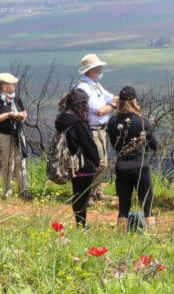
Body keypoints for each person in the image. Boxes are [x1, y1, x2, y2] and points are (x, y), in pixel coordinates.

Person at [107, 85, 158, 230]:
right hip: (141, 166)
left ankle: (121, 237)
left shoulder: (112, 122)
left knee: (123, 207)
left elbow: (115, 145)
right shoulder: (142, 121)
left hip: (122, 167)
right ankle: (152, 236)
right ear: (135, 101)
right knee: (147, 205)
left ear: (120, 102)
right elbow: (154, 145)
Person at [55, 88, 100, 230]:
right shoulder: (80, 123)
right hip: (83, 164)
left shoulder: (62, 119)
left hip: (70, 163)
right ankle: (81, 225)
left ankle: (80, 223)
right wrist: (97, 161)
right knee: (83, 197)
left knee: (77, 194)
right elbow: (89, 145)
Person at [75, 54, 117, 203]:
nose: (101, 69)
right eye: (99, 67)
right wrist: (112, 106)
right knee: (98, 162)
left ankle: (97, 192)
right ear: (92, 69)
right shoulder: (83, 88)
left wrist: (122, 98)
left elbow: (111, 98)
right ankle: (89, 194)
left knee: (103, 162)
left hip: (101, 130)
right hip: (92, 131)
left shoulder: (96, 86)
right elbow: (99, 110)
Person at [0, 72, 31, 200]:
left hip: (18, 133)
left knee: (21, 161)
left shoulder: (15, 97)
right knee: (8, 163)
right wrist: (9, 115)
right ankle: (7, 191)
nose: (14, 86)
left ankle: (23, 189)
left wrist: (21, 116)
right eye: (12, 84)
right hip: (4, 134)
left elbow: (24, 111)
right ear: (3, 85)